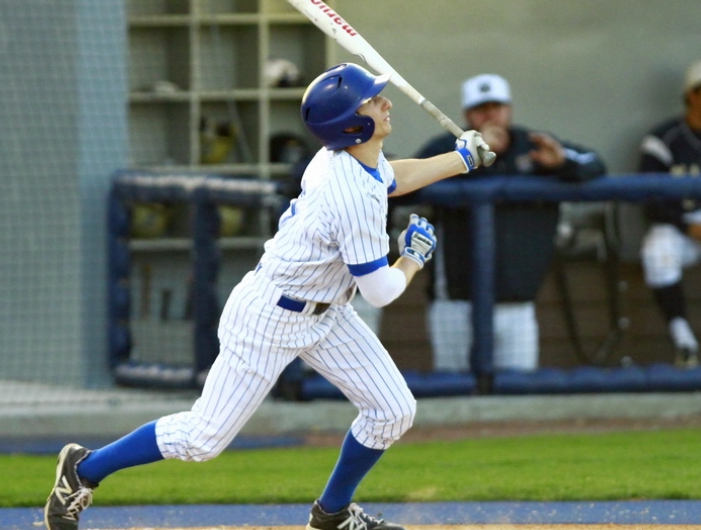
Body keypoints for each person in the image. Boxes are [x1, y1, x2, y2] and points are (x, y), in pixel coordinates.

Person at [43, 63, 489, 530]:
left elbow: (390, 177)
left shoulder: (344, 155)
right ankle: (83, 469)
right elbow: (380, 292)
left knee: (392, 410)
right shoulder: (351, 195)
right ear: (352, 125)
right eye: (373, 101)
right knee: (202, 439)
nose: (386, 102)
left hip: (325, 313)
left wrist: (463, 159)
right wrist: (413, 258)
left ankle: (332, 514)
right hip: (270, 316)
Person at [413, 73, 606, 373]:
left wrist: (561, 163)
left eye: (497, 106)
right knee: (452, 388)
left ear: (509, 109)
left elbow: (594, 162)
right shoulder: (447, 147)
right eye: (481, 108)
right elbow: (409, 181)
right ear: (467, 115)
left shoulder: (532, 145)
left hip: (516, 300)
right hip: (455, 300)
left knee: (517, 393)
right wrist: (471, 155)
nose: (490, 114)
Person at [638, 57, 701, 368]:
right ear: (692, 95)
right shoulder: (662, 139)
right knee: (656, 252)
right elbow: (649, 200)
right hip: (678, 226)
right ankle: (684, 341)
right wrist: (688, 228)